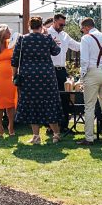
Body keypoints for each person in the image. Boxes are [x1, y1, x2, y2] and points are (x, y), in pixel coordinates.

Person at [12, 16, 63, 145]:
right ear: (41, 26)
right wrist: (48, 37)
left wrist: (15, 75)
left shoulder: (22, 39)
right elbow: (56, 51)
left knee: (32, 104)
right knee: (49, 103)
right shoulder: (46, 38)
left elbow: (15, 59)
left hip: (28, 76)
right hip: (46, 76)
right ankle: (56, 134)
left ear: (29, 26)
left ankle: (36, 136)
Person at [80, 17, 102, 144]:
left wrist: (82, 76)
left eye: (82, 29)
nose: (82, 32)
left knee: (89, 106)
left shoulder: (86, 38)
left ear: (87, 27)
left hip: (92, 72)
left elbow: (84, 60)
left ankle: (89, 138)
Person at [47, 13, 82, 90]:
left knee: (64, 96)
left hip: (62, 70)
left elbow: (77, 46)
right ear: (54, 21)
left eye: (64, 25)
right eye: (61, 24)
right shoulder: (47, 33)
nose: (62, 27)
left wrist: (88, 41)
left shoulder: (65, 35)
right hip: (49, 70)